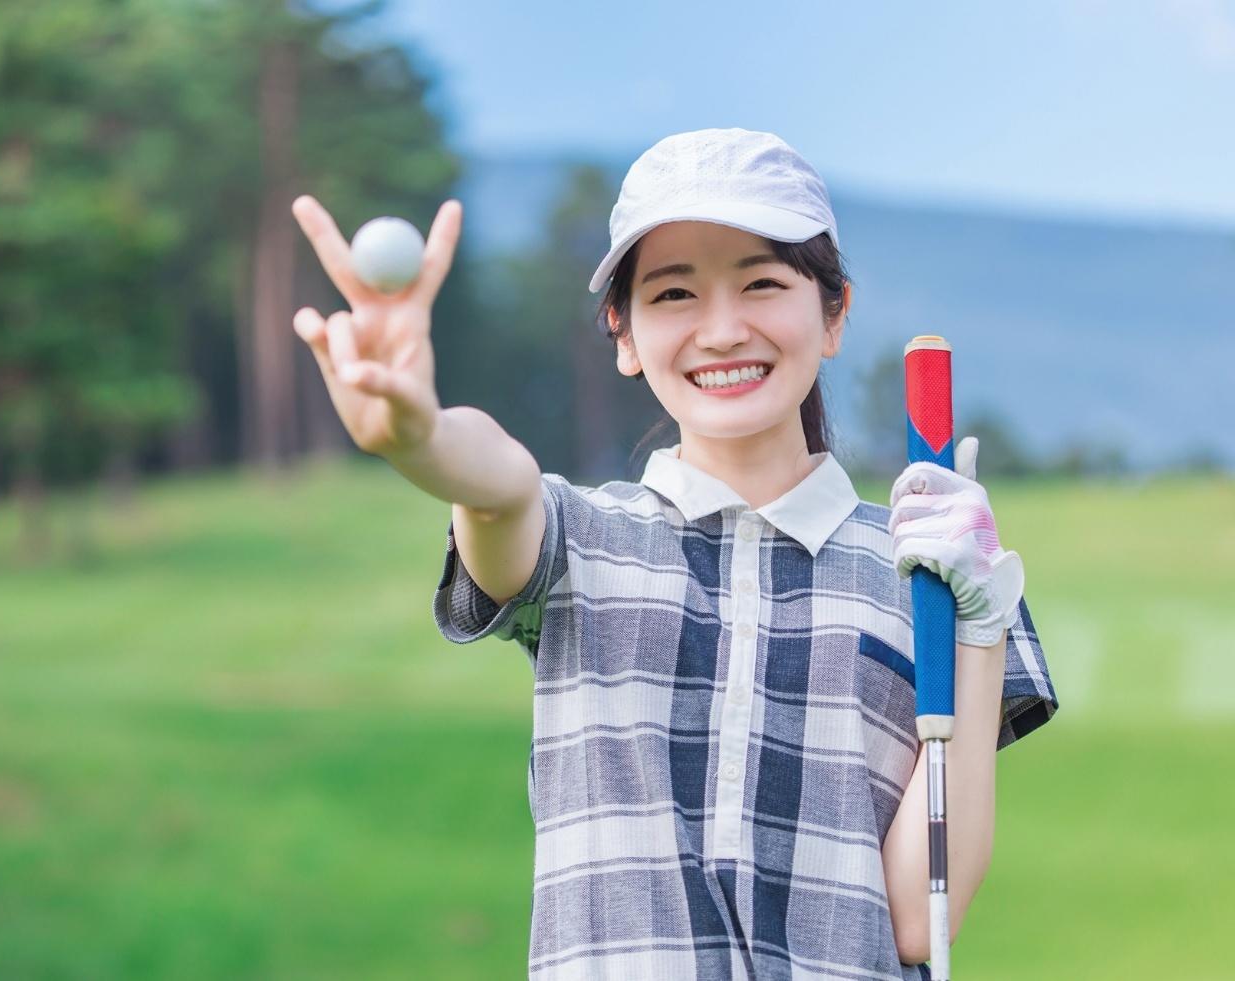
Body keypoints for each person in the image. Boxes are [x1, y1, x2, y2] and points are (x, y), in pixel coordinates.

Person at [290, 127, 1057, 981]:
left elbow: (917, 917)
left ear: (834, 312)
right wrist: (417, 432)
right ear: (622, 334)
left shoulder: (927, 566)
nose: (723, 330)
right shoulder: (578, 539)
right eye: (673, 294)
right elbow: (498, 481)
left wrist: (978, 627)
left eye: (763, 283)